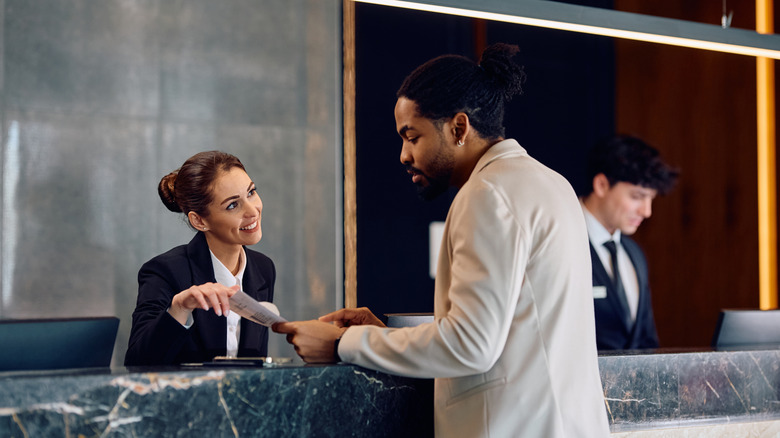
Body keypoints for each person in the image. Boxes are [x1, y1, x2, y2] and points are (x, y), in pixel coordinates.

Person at [273, 43, 610, 437]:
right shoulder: (553, 184)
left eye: (411, 136)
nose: (403, 154)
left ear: (459, 128)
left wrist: (344, 343)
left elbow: (470, 344)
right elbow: (510, 326)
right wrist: (386, 337)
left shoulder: (486, 194)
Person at [125, 151, 275, 366]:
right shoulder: (163, 271)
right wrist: (179, 308)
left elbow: (254, 364)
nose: (253, 211)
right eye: (232, 205)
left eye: (251, 192)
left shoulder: (263, 268)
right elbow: (137, 362)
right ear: (199, 221)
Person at [581, 135, 678, 350]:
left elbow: (646, 340)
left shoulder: (634, 253)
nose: (647, 211)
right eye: (637, 196)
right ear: (602, 185)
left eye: (650, 199)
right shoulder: (562, 242)